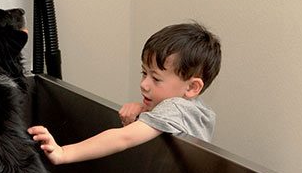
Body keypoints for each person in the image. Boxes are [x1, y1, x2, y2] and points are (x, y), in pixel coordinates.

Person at [29, 22, 221, 163]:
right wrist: (145, 109)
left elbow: (123, 138)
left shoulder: (176, 108)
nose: (144, 84)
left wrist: (64, 153)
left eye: (156, 79)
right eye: (144, 73)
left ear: (192, 88)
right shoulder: (193, 109)